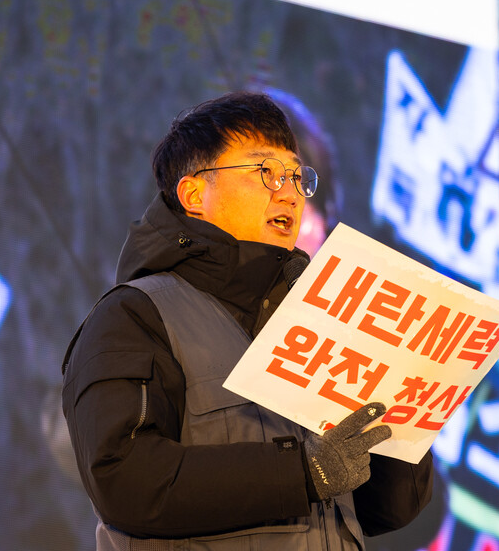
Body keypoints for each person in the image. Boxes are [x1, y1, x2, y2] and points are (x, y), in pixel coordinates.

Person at [61, 91, 434, 550]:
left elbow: (389, 509)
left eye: (297, 177)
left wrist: (403, 414)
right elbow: (124, 479)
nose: (289, 193)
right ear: (194, 194)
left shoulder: (325, 323)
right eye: (267, 172)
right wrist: (300, 472)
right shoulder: (135, 316)